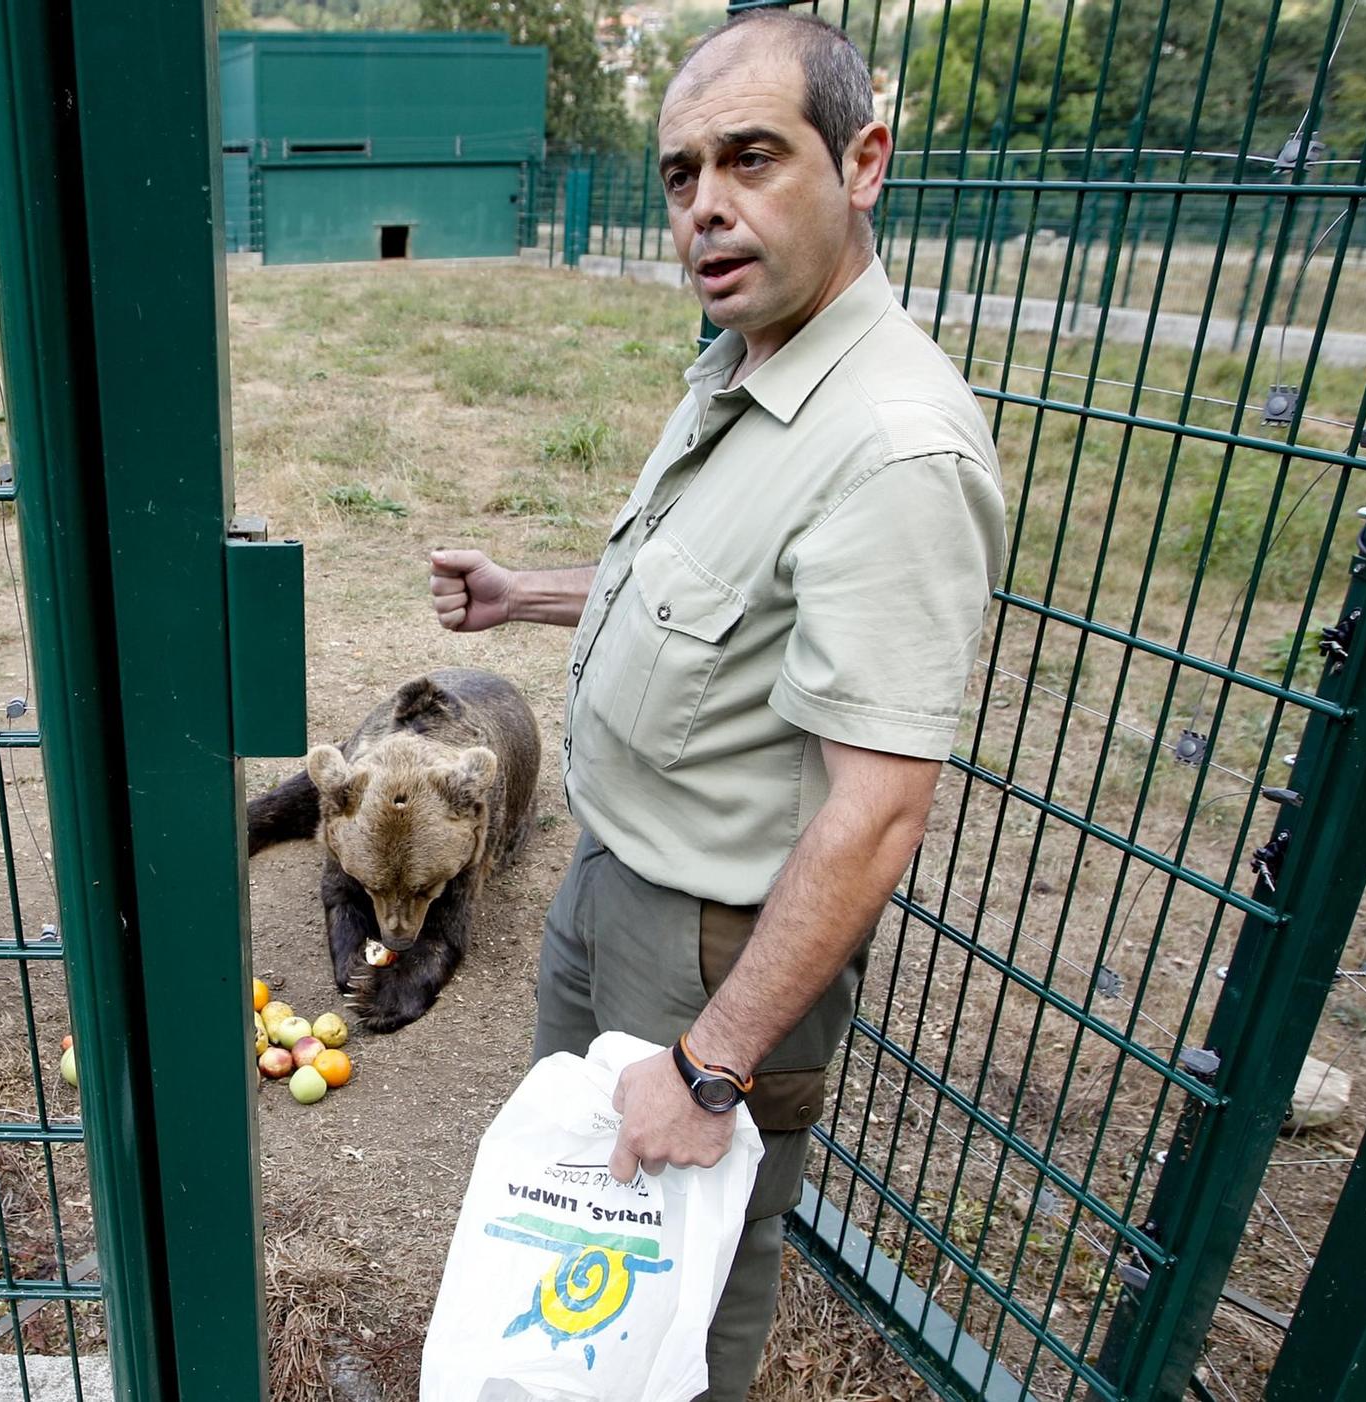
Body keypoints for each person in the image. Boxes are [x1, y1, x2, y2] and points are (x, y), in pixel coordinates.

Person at [427, 11, 1008, 1398]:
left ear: (863, 160)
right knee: (585, 1238)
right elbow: (692, 600)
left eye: (752, 157)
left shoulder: (892, 449)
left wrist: (711, 1065)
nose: (707, 206)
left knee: (680, 1299)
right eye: (682, 173)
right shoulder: (746, 366)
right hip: (612, 880)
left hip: (709, 957)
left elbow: (879, 810)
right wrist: (525, 595)